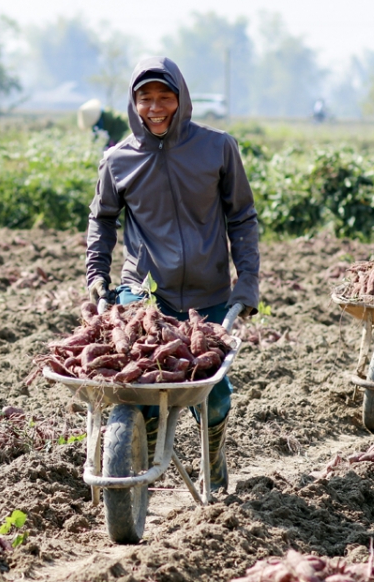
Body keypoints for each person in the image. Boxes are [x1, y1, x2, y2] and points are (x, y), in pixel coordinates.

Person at [85, 56, 260, 493]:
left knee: (212, 394)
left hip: (209, 290)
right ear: (133, 103)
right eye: (146, 99)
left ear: (182, 100)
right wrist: (96, 272)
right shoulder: (117, 159)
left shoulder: (217, 148)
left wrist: (248, 280)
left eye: (166, 97)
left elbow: (241, 216)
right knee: (135, 385)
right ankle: (138, 449)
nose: (156, 107)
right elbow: (103, 219)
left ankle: (213, 448)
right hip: (143, 292)